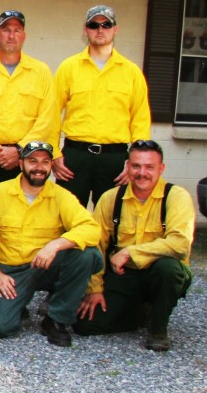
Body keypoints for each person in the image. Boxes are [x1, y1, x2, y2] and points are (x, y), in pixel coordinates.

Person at [0, 141, 102, 347]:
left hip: (45, 265)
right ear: (21, 163)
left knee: (88, 255)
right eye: (32, 161)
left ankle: (56, 319)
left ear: (51, 166)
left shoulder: (61, 196)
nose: (39, 167)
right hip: (10, 271)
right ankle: (1, 304)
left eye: (45, 162)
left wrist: (56, 245)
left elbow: (92, 228)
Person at [74, 140, 195, 351]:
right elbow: (96, 246)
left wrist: (130, 252)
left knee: (169, 269)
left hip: (159, 273)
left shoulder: (176, 197)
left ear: (161, 168)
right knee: (84, 326)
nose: (142, 173)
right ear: (127, 166)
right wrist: (94, 289)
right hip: (124, 275)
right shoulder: (111, 198)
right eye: (136, 166)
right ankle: (137, 311)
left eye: (149, 167)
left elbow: (180, 244)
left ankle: (158, 328)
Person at [53, 5, 151, 207]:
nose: (100, 29)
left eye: (106, 24)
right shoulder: (68, 68)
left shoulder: (131, 72)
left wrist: (135, 161)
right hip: (75, 158)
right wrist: (54, 155)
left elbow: (140, 120)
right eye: (93, 25)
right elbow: (51, 113)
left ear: (115, 29)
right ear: (85, 29)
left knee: (113, 219)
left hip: (114, 159)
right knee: (66, 217)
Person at [0, 10, 57, 192]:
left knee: (24, 214)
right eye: (6, 30)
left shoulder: (41, 71)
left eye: (17, 30)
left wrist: (20, 150)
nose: (11, 35)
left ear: (24, 36)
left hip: (25, 158)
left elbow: (47, 117)